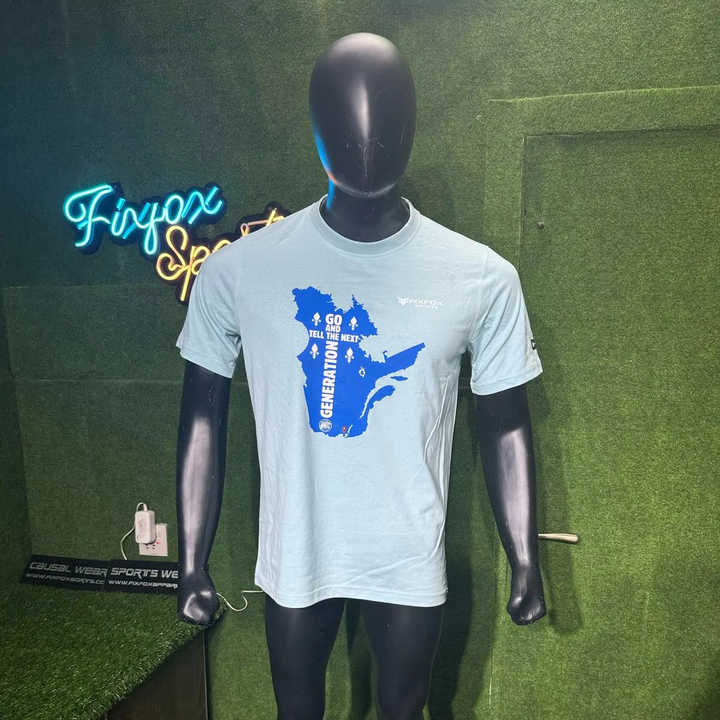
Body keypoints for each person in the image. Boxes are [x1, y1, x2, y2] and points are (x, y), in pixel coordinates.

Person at [175, 32, 546, 720]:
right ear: (317, 132)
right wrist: (190, 560)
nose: (367, 139)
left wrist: (525, 556)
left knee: (405, 711)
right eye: (346, 123)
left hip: (407, 551)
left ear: (411, 126)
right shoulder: (239, 272)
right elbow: (202, 414)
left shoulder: (481, 278)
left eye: (387, 117)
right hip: (297, 549)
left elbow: (506, 424)